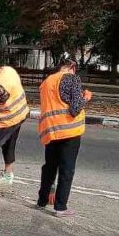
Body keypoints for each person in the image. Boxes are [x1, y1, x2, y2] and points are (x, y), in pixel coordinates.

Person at [37, 55, 92, 217]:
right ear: (72, 67)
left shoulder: (47, 82)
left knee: (49, 167)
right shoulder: (72, 79)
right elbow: (75, 108)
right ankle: (60, 207)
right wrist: (85, 98)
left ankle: (42, 200)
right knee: (66, 169)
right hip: (68, 130)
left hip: (50, 130)